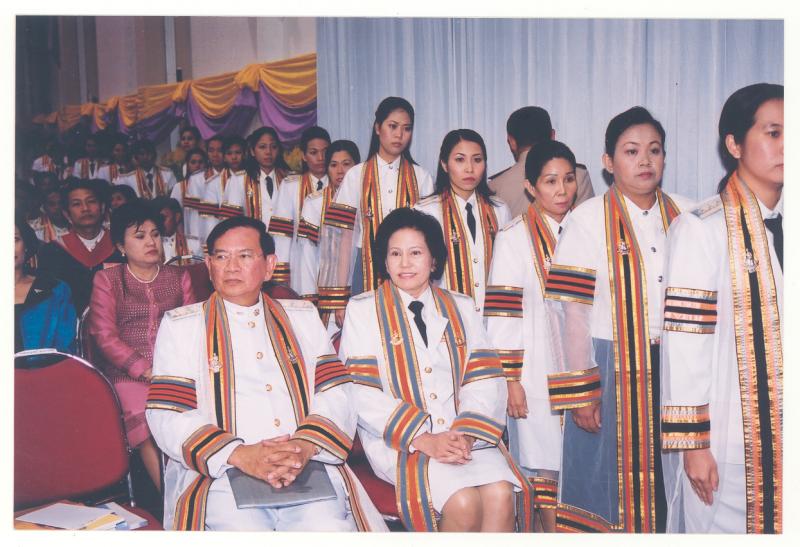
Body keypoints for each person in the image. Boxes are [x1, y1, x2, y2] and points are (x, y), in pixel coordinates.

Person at [145, 216, 386, 531]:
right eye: (221, 256)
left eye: (244, 256)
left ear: (269, 266)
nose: (231, 267)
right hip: (221, 471)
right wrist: (239, 454)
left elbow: (335, 392)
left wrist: (304, 446)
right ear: (209, 265)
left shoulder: (302, 318)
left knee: (327, 527)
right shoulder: (181, 326)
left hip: (305, 465)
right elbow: (169, 413)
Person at [544, 107, 693, 532]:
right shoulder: (587, 219)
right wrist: (581, 392)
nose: (645, 160)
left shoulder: (688, 215)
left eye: (654, 150)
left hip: (678, 366)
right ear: (608, 161)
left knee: (671, 480)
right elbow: (571, 312)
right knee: (611, 483)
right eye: (631, 151)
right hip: (612, 369)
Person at [339, 207, 533, 532]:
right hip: (400, 441)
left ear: (433, 260)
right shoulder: (363, 310)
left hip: (464, 436)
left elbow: (484, 377)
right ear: (384, 261)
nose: (405, 263)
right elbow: (359, 390)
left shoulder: (461, 306)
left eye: (415, 253)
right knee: (463, 501)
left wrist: (466, 434)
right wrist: (423, 438)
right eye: (395, 254)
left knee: (501, 494)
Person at [660, 83, 783, 534]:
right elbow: (685, 343)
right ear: (734, 144)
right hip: (731, 437)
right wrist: (693, 444)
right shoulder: (702, 228)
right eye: (773, 133)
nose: (786, 146)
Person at [485, 140, 579, 532]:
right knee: (546, 470)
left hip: (582, 372)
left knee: (579, 470)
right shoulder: (514, 237)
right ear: (530, 187)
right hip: (535, 373)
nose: (562, 190)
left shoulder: (587, 229)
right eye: (550, 181)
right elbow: (502, 315)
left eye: (569, 179)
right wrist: (511, 380)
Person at [88, 202, 196, 494]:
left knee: (191, 415)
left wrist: (174, 368)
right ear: (121, 246)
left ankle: (198, 492)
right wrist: (143, 368)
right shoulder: (108, 279)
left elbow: (192, 327)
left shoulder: (179, 277)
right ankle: (171, 499)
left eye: (155, 234)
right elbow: (104, 335)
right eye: (140, 236)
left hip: (176, 369)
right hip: (126, 373)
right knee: (145, 415)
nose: (151, 242)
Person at [318, 97, 434, 320]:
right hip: (365, 268)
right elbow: (342, 238)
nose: (399, 135)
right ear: (378, 128)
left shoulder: (421, 177)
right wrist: (340, 298)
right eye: (393, 126)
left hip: (409, 269)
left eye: (406, 128)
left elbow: (429, 239)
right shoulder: (356, 175)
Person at [414, 129, 511, 314]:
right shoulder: (425, 211)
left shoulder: (499, 209)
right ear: (444, 164)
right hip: (444, 314)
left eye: (477, 160)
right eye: (460, 160)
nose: (469, 168)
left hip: (491, 316)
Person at [296, 140, 360, 334]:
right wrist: (310, 302)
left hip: (363, 286)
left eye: (346, 164)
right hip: (327, 297)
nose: (340, 171)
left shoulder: (368, 200)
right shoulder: (314, 203)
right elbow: (307, 257)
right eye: (333, 165)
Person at [37, 178, 124, 313]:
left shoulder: (120, 246)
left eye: (91, 201)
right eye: (76, 204)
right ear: (66, 213)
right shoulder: (52, 251)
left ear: (102, 208)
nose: (85, 209)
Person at [489, 106, 594, 217]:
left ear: (512, 142)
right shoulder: (578, 175)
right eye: (551, 181)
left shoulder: (495, 186)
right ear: (552, 136)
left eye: (568, 180)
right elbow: (588, 221)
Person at [222, 127, 293, 284]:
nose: (268, 152)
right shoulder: (239, 180)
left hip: (285, 252)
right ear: (252, 151)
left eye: (273, 147)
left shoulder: (290, 179)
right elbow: (231, 222)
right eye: (262, 147)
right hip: (250, 249)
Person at [271, 126, 332, 293]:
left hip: (333, 263)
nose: (321, 158)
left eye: (325, 152)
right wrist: (281, 277)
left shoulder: (340, 185)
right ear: (304, 156)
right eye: (313, 152)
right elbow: (282, 234)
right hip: (301, 263)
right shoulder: (290, 185)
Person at [14, 217, 76, 353]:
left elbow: (64, 350)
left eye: (14, 239)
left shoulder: (55, 290)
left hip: (46, 366)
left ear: (26, 245)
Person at [151, 196, 202, 262]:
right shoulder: (150, 246)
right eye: (156, 218)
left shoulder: (193, 244)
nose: (159, 222)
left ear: (177, 217)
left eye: (163, 217)